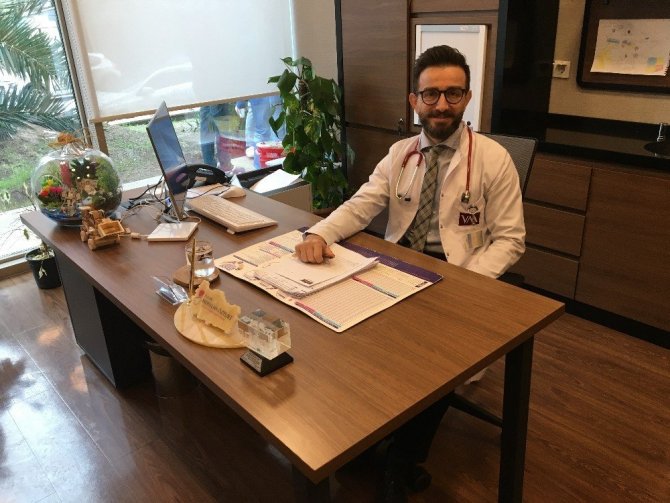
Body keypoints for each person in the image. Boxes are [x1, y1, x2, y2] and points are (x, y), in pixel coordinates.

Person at [294, 45, 525, 502]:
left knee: (434, 363)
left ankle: (401, 462)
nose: (442, 104)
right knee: (349, 338)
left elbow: (511, 239)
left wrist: (466, 284)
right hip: (398, 271)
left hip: (461, 279)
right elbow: (361, 205)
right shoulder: (400, 154)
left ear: (468, 97)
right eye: (431, 94)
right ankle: (358, 435)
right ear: (414, 100)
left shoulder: (493, 158)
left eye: (453, 93)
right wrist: (319, 233)